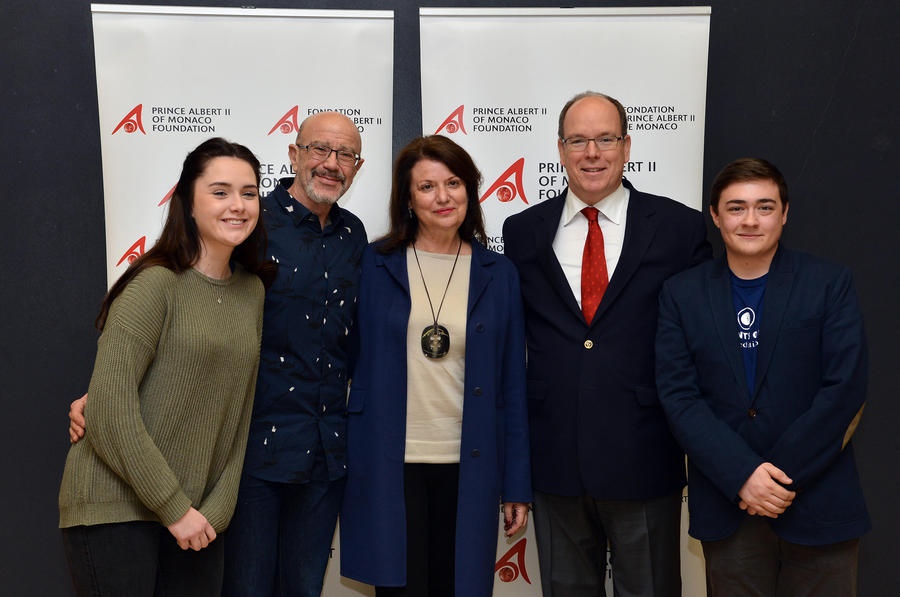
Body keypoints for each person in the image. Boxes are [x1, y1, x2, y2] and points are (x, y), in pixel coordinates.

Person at [68, 111, 367, 597]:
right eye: (319, 149)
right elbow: (177, 331)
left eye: (346, 154)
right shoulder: (247, 228)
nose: (331, 163)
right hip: (248, 456)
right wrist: (98, 398)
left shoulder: (352, 239)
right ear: (293, 155)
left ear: (358, 166)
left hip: (317, 455)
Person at [502, 91, 711, 597]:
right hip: (554, 461)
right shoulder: (522, 231)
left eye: (605, 139)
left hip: (645, 455)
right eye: (578, 140)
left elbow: (702, 344)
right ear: (559, 149)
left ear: (627, 145)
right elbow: (511, 348)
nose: (592, 152)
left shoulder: (681, 228)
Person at [58, 137, 274, 596]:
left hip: (197, 519)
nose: (237, 205)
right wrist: (173, 507)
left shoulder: (251, 292)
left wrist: (215, 511)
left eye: (249, 193)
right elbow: (109, 408)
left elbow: (238, 415)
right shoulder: (155, 283)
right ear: (187, 202)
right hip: (115, 508)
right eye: (220, 192)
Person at [655, 158, 870, 597]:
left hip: (819, 504)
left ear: (785, 213)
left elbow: (844, 389)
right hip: (729, 506)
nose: (750, 220)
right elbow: (679, 396)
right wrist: (742, 475)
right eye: (736, 208)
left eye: (764, 207)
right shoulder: (682, 294)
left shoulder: (829, 283)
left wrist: (776, 478)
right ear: (715, 216)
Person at [340, 135, 531, 597]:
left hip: (470, 465)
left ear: (470, 190)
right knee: (399, 588)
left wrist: (517, 484)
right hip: (390, 463)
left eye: (454, 183)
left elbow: (511, 385)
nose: (443, 197)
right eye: (426, 187)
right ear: (407, 198)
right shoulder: (375, 263)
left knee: (458, 587)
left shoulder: (498, 273)